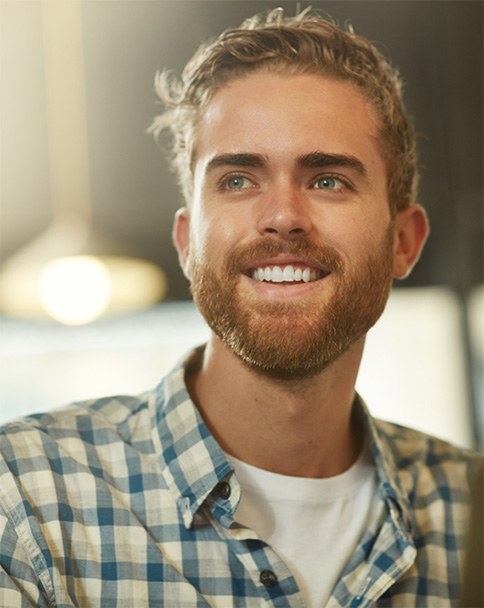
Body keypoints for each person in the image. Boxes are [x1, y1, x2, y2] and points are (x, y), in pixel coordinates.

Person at [0, 8, 481, 607]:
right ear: (186, 241)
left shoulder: (473, 510)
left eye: (328, 179)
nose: (283, 216)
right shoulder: (25, 498)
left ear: (403, 242)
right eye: (237, 180)